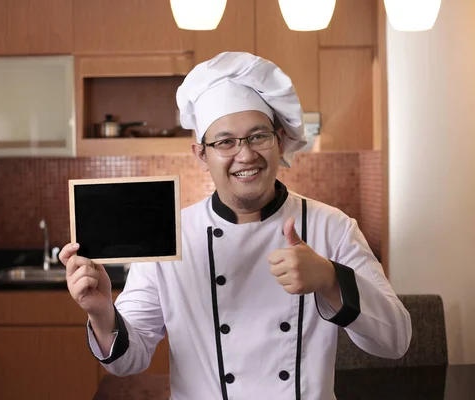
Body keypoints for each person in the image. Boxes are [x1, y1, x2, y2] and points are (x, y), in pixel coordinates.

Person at [59, 52, 412, 400]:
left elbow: (395, 340)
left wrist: (330, 279)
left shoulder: (330, 227)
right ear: (201, 155)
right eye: (225, 142)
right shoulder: (173, 235)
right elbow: (129, 361)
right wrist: (102, 310)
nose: (245, 155)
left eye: (258, 136)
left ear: (279, 140)